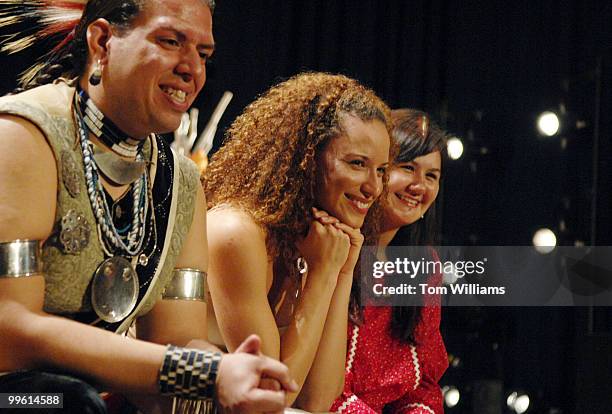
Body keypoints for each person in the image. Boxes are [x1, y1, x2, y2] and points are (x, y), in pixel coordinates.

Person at [0, 1, 297, 413]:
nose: (192, 69)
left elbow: (172, 342)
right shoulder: (23, 137)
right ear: (102, 41)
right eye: (171, 41)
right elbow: (9, 331)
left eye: (204, 54)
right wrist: (202, 374)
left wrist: (234, 373)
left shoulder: (179, 181)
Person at [202, 72, 391, 411]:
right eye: (357, 164)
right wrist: (321, 275)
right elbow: (271, 397)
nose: (373, 188)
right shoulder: (236, 231)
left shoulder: (313, 237)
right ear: (305, 157)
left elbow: (319, 399)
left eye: (381, 170)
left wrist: (342, 271)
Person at [331, 109, 449, 413]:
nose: (419, 186)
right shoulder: (332, 242)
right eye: (407, 167)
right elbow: (321, 386)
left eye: (431, 176)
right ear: (378, 170)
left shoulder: (424, 264)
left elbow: (422, 385)